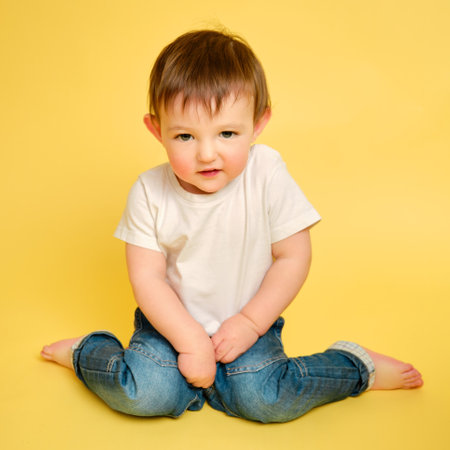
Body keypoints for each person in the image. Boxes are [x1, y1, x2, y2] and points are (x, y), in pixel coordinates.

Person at [41, 29, 423, 423]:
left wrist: (250, 323)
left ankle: (355, 366)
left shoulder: (268, 173)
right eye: (185, 136)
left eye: (227, 133)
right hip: (170, 325)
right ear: (157, 130)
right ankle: (87, 352)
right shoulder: (149, 191)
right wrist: (189, 341)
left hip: (247, 318)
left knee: (265, 400)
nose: (208, 154)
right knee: (145, 395)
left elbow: (293, 256)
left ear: (258, 123)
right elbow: (148, 278)